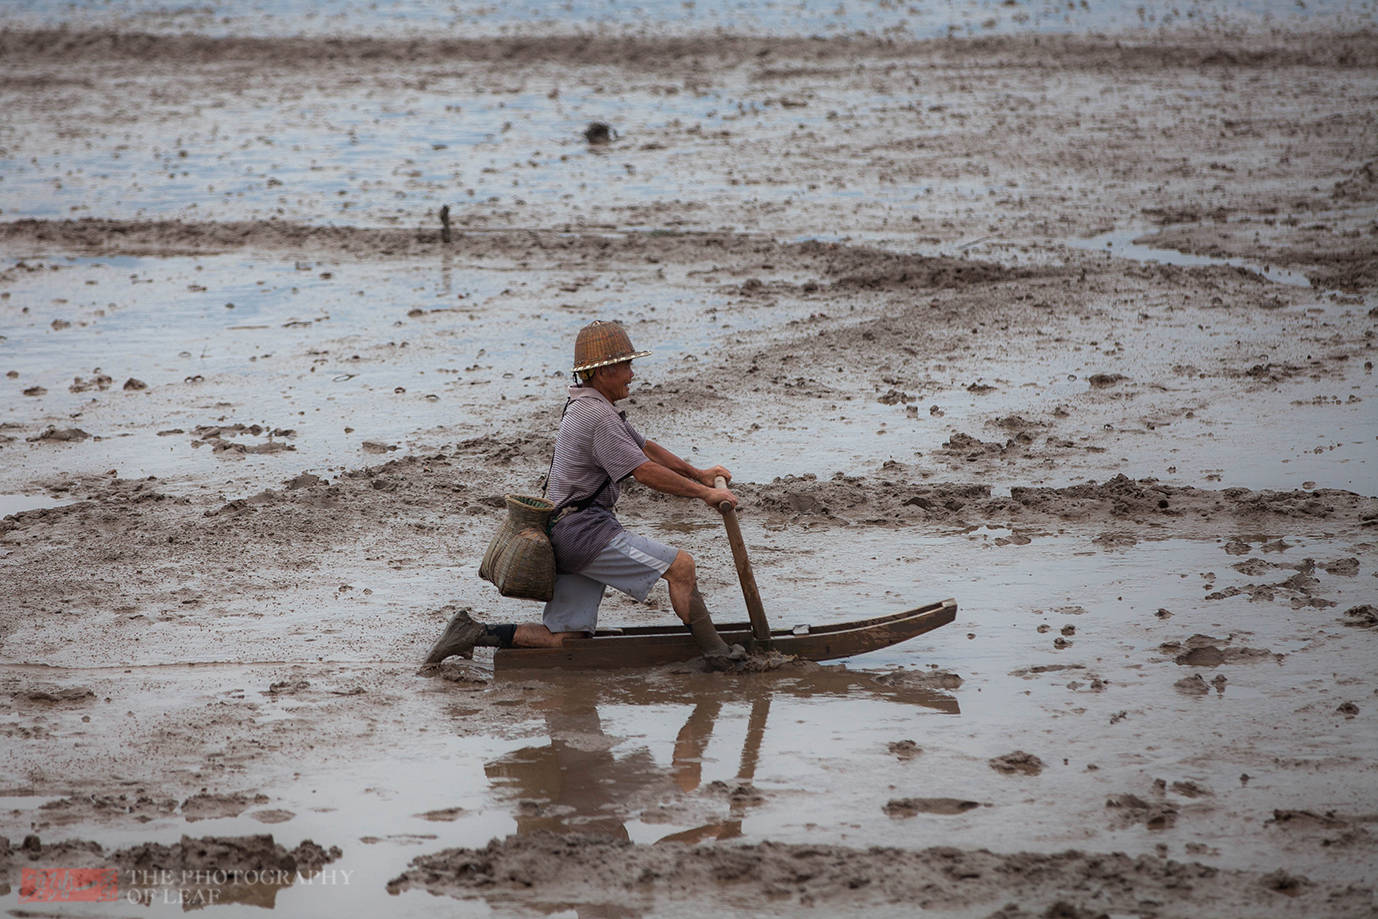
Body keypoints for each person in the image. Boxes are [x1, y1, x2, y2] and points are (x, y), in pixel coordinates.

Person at [425, 320, 747, 669]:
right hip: (585, 532)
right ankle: (717, 656)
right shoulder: (597, 415)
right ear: (601, 372)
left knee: (566, 638)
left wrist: (698, 473)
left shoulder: (588, 405)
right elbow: (644, 471)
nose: (632, 374)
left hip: (565, 531)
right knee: (681, 567)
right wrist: (704, 494)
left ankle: (471, 632)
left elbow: (647, 449)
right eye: (625, 366)